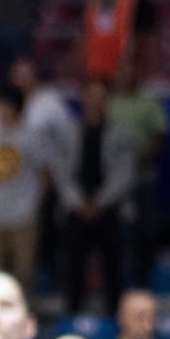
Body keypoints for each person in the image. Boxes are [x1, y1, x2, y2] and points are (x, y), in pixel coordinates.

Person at [52, 77, 132, 315]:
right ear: (83, 100)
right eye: (91, 96)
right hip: (76, 210)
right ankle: (73, 314)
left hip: (108, 209)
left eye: (100, 97)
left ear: (107, 101)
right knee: (73, 266)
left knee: (113, 268)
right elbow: (61, 172)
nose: (95, 102)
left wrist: (99, 202)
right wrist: (78, 202)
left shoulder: (120, 134)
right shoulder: (69, 133)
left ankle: (114, 317)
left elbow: (124, 173)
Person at [0, 87, 46, 291]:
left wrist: (36, 202)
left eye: (3, 106)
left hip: (24, 212)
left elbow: (45, 172)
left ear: (15, 108)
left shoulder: (31, 136)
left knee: (23, 272)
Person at [108, 54, 169, 287]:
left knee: (144, 229)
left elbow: (161, 135)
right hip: (113, 183)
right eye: (123, 69)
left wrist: (142, 159)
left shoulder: (148, 101)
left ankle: (145, 278)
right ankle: (120, 280)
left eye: (131, 69)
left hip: (142, 179)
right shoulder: (110, 102)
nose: (127, 74)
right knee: (118, 234)